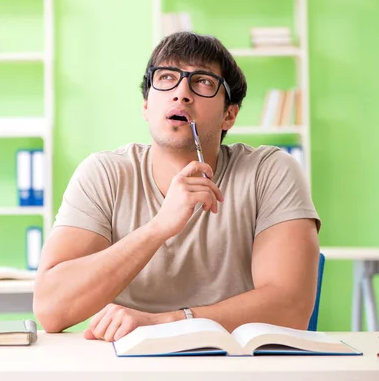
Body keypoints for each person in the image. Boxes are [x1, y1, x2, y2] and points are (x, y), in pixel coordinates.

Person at [33, 31, 321, 342]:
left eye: (203, 82)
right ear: (146, 105)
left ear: (229, 115)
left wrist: (168, 323)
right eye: (167, 77)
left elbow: (291, 308)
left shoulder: (270, 171)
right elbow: (51, 309)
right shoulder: (104, 174)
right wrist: (157, 228)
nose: (181, 93)